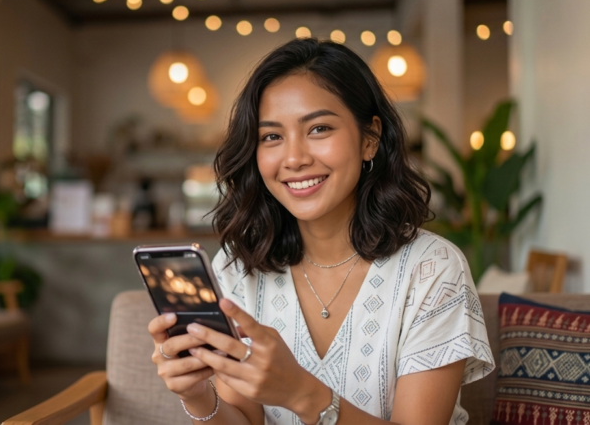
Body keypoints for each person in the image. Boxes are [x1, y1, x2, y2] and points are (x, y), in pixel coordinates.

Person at [148, 38, 494, 425]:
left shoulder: (432, 268)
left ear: (370, 139)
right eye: (272, 136)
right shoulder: (240, 268)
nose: (294, 158)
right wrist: (197, 395)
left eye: (319, 128)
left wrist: (302, 393)